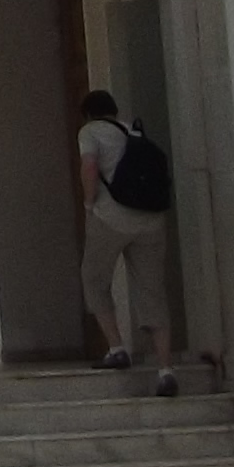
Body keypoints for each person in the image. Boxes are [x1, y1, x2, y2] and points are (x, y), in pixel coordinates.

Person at [75, 89, 177, 394]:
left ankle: (117, 347)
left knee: (94, 279)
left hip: (111, 218)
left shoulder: (90, 131)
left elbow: (90, 167)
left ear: (89, 114)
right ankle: (165, 369)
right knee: (152, 291)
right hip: (150, 220)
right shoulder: (133, 130)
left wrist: (88, 205)